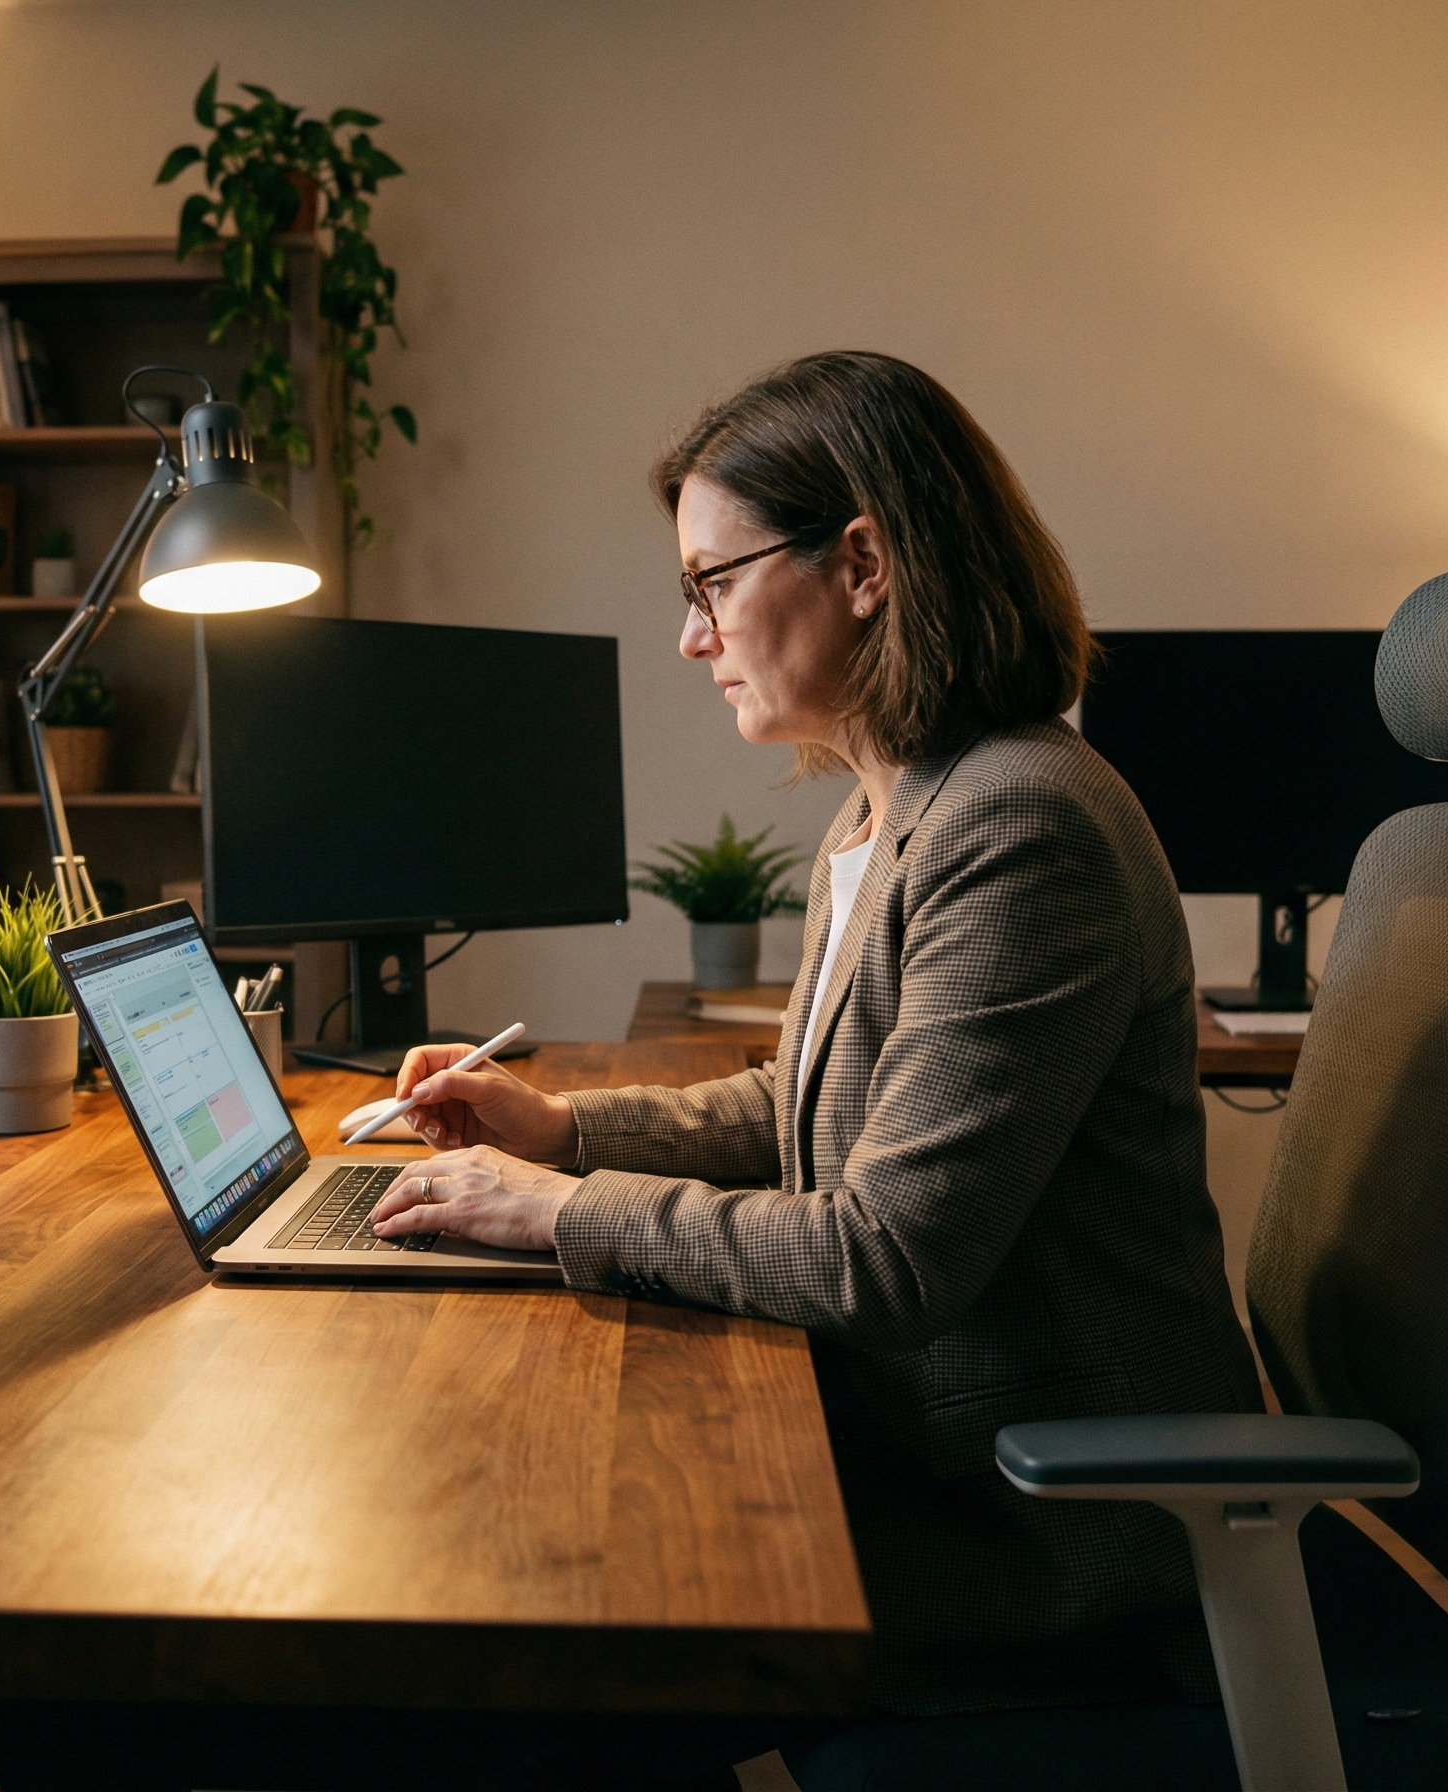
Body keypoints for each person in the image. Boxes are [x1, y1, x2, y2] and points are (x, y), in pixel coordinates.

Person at [370, 351, 1262, 1767]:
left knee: (555, 1607)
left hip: (1043, 1526)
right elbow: (801, 1108)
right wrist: (558, 1132)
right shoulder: (886, 813)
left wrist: (563, 1215)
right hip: (932, 1454)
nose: (691, 637)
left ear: (862, 563)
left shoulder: (1021, 827)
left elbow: (887, 1259)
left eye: (710, 583)